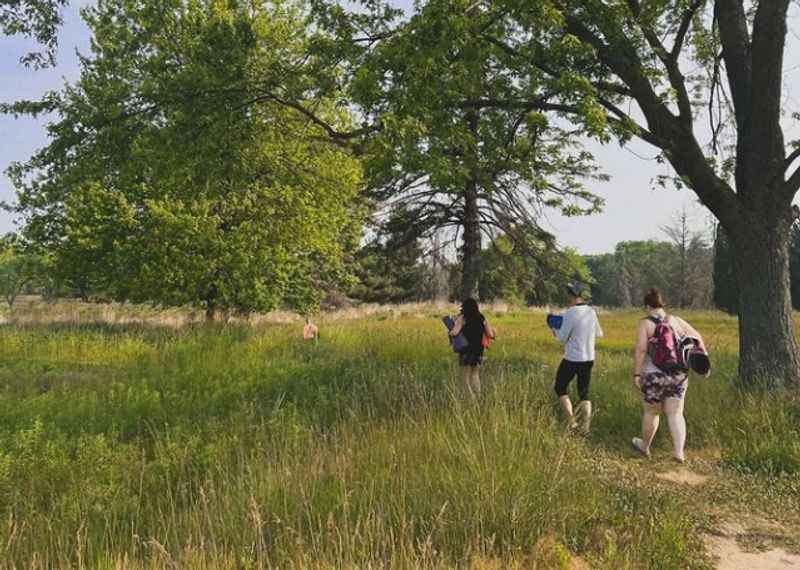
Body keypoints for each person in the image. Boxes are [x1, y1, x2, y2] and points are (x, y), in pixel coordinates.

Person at [631, 288, 708, 463]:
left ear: (647, 306)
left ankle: (644, 447)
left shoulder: (645, 323)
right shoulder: (677, 321)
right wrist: (704, 364)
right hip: (678, 375)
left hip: (653, 376)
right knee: (676, 413)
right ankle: (679, 452)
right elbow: (697, 338)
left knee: (651, 412)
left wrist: (636, 373)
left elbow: (642, 350)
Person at [550, 281, 603, 434]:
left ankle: (571, 422)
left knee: (560, 387)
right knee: (584, 393)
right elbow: (599, 333)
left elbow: (561, 337)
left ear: (571, 295)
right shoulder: (591, 312)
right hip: (589, 358)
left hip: (573, 358)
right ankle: (585, 427)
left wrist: (553, 327)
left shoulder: (571, 312)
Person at [450, 298, 497, 397]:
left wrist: (450, 330)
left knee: (465, 377)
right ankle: (478, 396)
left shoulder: (462, 318)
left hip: (465, 350)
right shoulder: (482, 318)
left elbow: (455, 333)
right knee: (475, 374)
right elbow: (490, 334)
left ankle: (471, 399)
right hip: (478, 350)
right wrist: (494, 332)